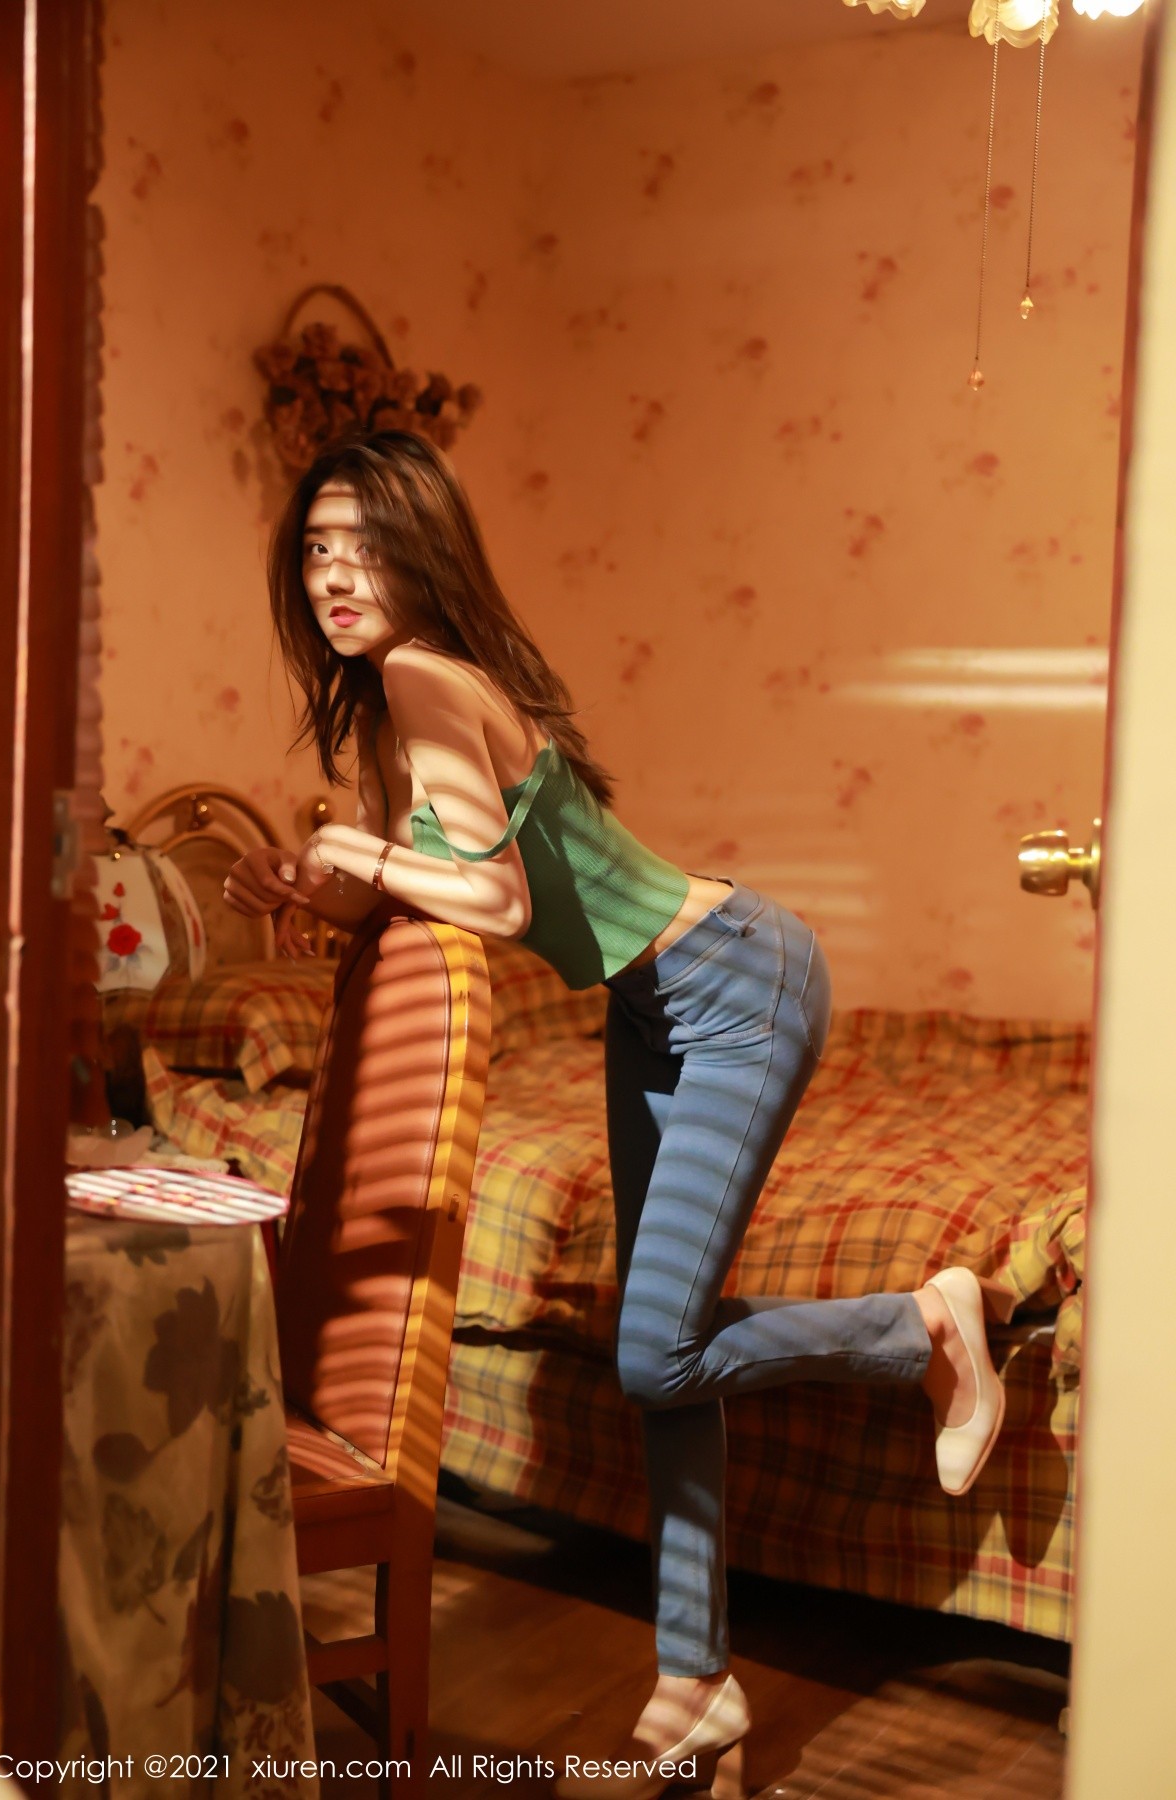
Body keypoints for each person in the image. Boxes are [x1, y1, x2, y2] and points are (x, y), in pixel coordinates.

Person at [224, 431, 1006, 1800]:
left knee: (652, 1354)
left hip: (737, 981)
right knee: (673, 1341)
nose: (337, 576)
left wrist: (365, 854)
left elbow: (498, 901)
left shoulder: (422, 675)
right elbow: (431, 877)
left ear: (423, 555)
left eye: (366, 549)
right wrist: (310, 885)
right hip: (654, 1009)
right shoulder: (389, 708)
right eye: (317, 551)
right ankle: (696, 1684)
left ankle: (926, 1327)